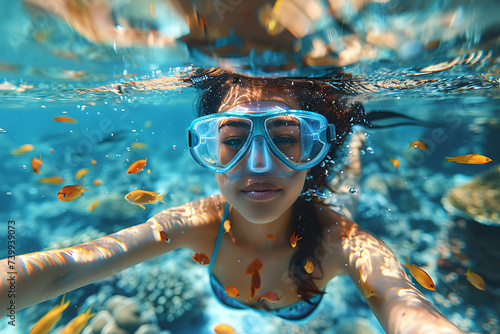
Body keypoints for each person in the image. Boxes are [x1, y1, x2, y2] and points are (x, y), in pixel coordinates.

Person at [0, 68, 465, 333]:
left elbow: (406, 308)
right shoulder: (194, 223)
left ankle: (353, 143)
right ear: (208, 149)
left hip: (326, 222)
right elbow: (66, 267)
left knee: (344, 192)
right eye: (233, 139)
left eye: (286, 137)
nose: (258, 164)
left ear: (313, 149)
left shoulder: (347, 244)